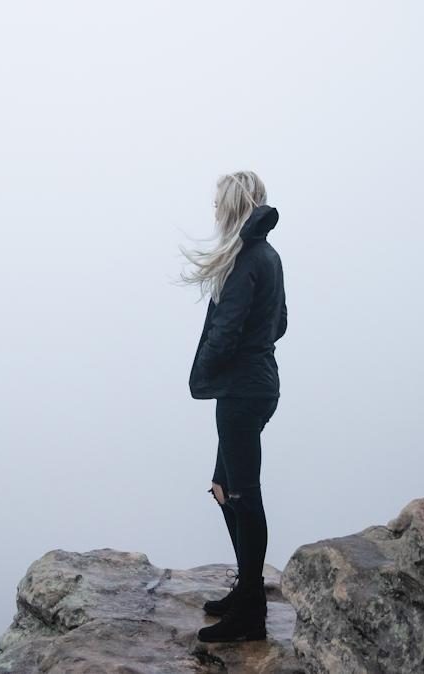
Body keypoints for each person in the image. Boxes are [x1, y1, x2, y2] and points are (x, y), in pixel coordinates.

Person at [177, 170, 287, 642]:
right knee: (226, 488)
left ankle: (252, 611)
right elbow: (278, 322)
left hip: (242, 393)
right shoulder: (268, 255)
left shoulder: (247, 257)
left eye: (217, 203)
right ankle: (246, 591)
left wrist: (210, 367)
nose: (215, 211)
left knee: (243, 494)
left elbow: (229, 328)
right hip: (256, 387)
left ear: (231, 205)